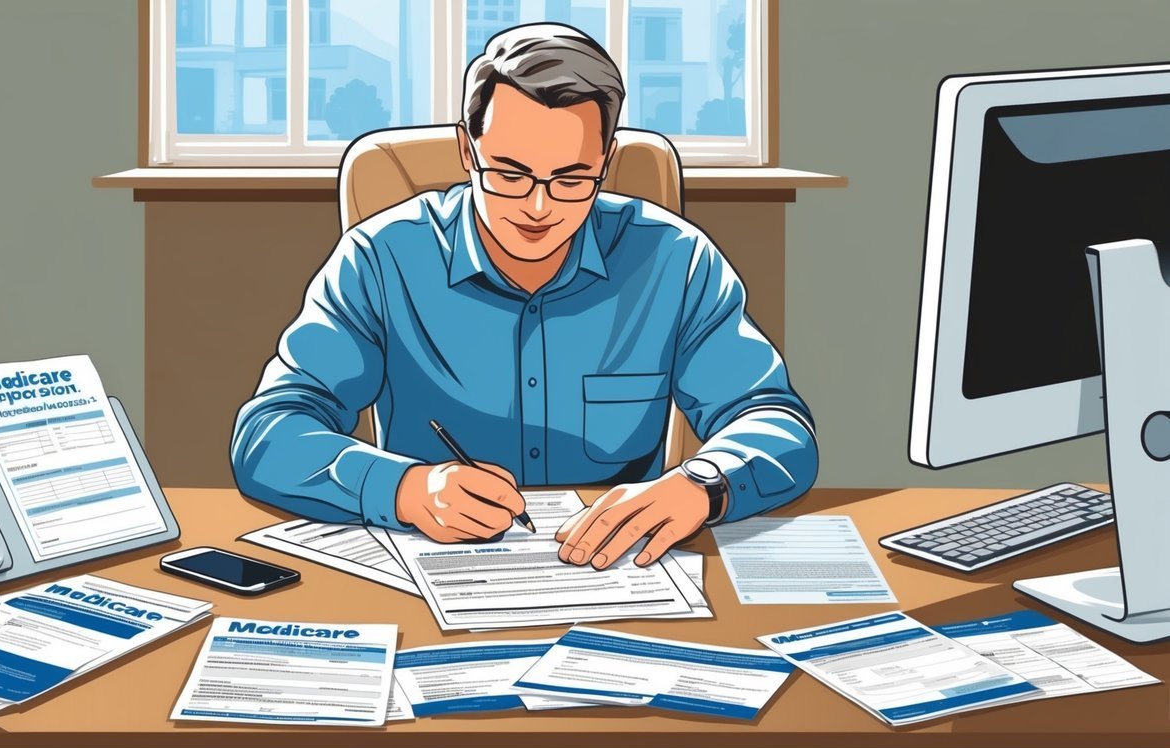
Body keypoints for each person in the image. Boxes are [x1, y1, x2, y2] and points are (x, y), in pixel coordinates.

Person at [230, 23, 817, 569]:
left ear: (606, 162)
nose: (539, 209)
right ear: (467, 151)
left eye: (571, 179)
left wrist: (704, 487)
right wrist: (405, 491)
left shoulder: (674, 261)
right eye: (508, 175)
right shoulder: (381, 259)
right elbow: (268, 434)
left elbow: (777, 423)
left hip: (617, 578)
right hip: (437, 575)